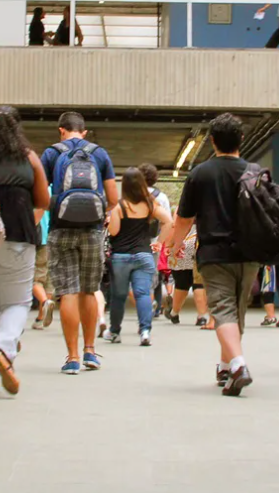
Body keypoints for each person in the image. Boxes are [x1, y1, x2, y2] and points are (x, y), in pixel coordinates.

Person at [168, 113, 259, 396]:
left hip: (215, 253)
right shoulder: (254, 172)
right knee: (236, 310)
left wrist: (175, 247)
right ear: (241, 140)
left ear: (212, 141)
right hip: (250, 252)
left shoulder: (201, 173)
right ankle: (225, 365)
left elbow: (184, 218)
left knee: (222, 310)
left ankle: (238, 365)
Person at [0, 106, 51, 396]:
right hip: (18, 235)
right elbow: (43, 199)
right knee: (15, 303)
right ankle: (4, 351)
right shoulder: (29, 156)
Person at [40, 112, 119, 374]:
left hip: (60, 229)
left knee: (68, 292)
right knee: (89, 289)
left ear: (61, 130)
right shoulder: (99, 154)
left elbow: (39, 193)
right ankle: (90, 352)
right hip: (92, 231)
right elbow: (113, 198)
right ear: (84, 132)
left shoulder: (52, 153)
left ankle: (72, 357)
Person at [103, 168, 173, 346]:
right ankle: (145, 331)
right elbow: (169, 222)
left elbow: (114, 231)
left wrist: (109, 220)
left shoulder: (119, 207)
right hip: (144, 255)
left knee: (118, 295)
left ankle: (115, 332)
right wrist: (159, 242)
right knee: (143, 293)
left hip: (121, 257)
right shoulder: (150, 204)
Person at [138, 163, 172, 315]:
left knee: (135, 273)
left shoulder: (132, 195)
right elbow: (168, 222)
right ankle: (154, 306)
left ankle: (145, 304)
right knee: (152, 274)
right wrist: (162, 242)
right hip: (154, 241)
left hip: (134, 241)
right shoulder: (162, 197)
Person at [165, 223, 207, 325]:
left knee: (181, 282)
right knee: (199, 282)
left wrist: (169, 244)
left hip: (185, 241)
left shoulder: (184, 207)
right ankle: (202, 316)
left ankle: (174, 313)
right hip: (203, 242)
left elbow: (175, 224)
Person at [31, 206, 55, 329]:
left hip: (40, 241)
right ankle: (41, 318)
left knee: (35, 279)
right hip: (54, 240)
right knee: (49, 281)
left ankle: (45, 301)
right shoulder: (55, 190)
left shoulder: (38, 191)